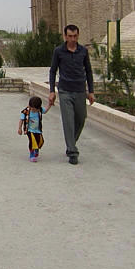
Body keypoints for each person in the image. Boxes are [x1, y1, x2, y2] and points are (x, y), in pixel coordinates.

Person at [48, 24, 96, 165]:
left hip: (80, 90)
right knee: (68, 121)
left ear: (78, 36)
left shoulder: (83, 51)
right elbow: (52, 71)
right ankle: (73, 152)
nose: (72, 39)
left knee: (81, 119)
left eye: (75, 36)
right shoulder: (58, 51)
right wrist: (52, 91)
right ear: (65, 36)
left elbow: (88, 71)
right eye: (70, 36)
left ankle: (71, 143)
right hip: (65, 91)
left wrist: (91, 91)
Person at [18, 95, 49, 162]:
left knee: (40, 141)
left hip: (37, 130)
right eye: (31, 108)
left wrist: (49, 104)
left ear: (38, 108)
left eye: (34, 109)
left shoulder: (40, 110)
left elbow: (45, 111)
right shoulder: (26, 111)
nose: (32, 110)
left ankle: (36, 149)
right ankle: (32, 155)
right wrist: (19, 128)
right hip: (29, 130)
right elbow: (21, 119)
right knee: (32, 142)